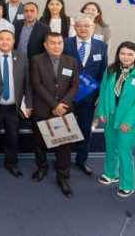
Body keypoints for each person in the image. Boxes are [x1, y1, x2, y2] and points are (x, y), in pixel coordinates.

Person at [96, 41, 135, 197]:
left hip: (128, 120)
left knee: (125, 152)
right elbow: (103, 91)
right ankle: (111, 174)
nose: (126, 57)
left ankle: (127, 184)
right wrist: (102, 111)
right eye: (122, 53)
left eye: (130, 54)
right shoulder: (110, 69)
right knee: (111, 147)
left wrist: (129, 121)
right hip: (110, 115)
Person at [29, 32, 80, 198]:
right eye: (53, 43)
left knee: (64, 146)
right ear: (45, 45)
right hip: (43, 109)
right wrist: (54, 105)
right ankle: (42, 168)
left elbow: (75, 86)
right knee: (40, 143)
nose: (57, 46)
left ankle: (63, 177)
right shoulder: (36, 60)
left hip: (64, 111)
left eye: (59, 43)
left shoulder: (71, 61)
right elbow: (37, 85)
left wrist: (61, 105)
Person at [0, 30, 32, 178]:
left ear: (13, 41)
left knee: (13, 137)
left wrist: (29, 105)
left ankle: (11, 163)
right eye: (1, 39)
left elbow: (28, 83)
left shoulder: (22, 57)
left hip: (14, 108)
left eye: (8, 39)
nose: (5, 42)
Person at [62, 13, 108, 177]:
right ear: (74, 28)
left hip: (89, 97)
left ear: (93, 27)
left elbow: (103, 71)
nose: (83, 29)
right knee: (64, 129)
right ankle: (62, 160)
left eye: (86, 26)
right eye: (79, 26)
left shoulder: (101, 46)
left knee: (85, 130)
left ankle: (81, 160)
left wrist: (100, 95)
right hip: (66, 95)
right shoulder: (65, 43)